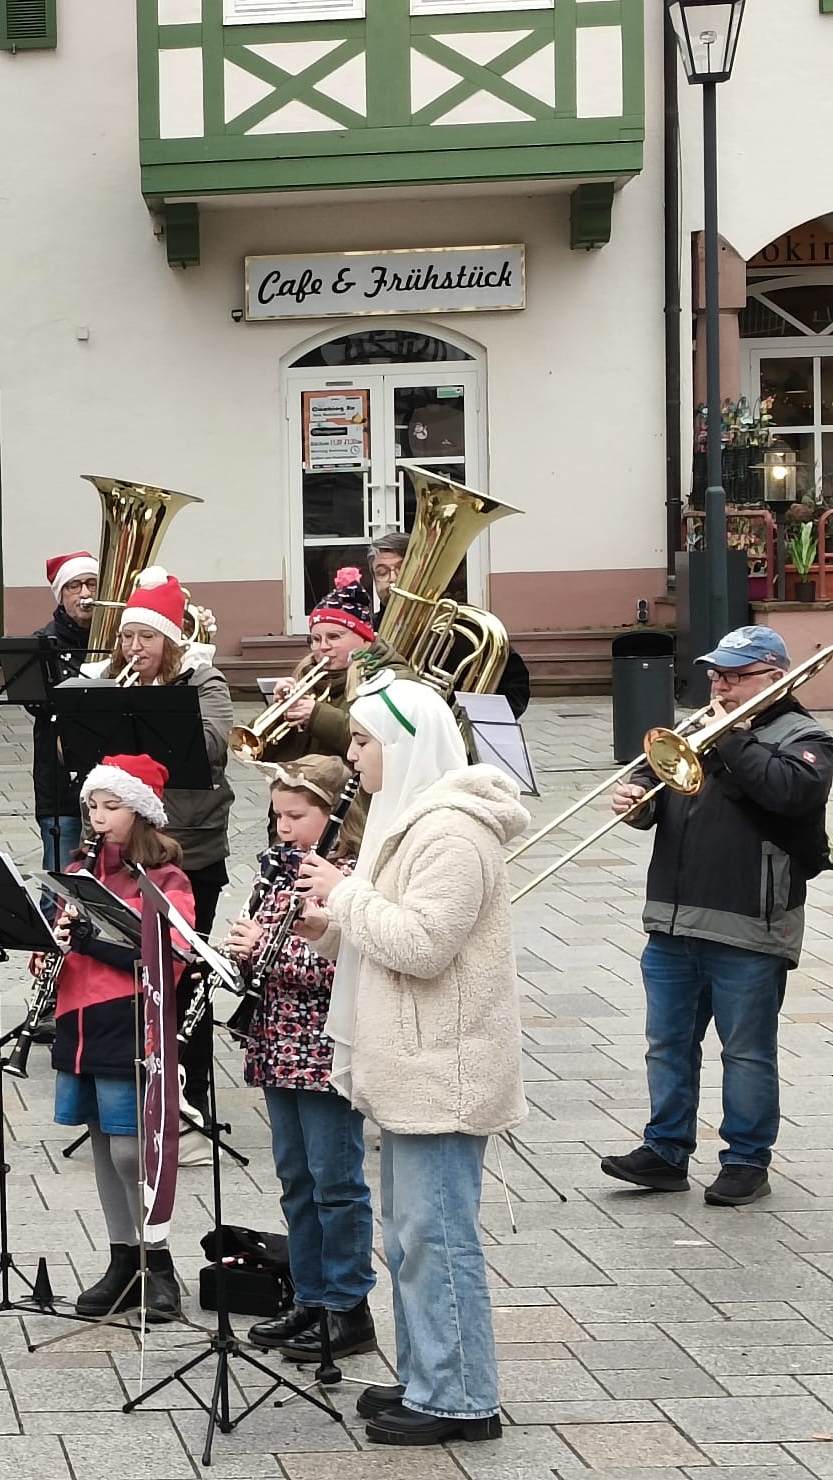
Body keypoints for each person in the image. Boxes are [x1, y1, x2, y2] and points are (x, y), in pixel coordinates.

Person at [293, 672, 528, 1446]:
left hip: (445, 1067)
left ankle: (461, 1399)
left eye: (363, 741)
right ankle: (430, 1373)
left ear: (405, 743)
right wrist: (327, 928)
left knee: (437, 1238)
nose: (352, 754)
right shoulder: (406, 819)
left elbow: (424, 946)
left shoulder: (452, 833)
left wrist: (343, 895)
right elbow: (382, 935)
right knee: (407, 1237)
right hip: (412, 1061)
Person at [601, 625, 832, 1207]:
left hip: (750, 923)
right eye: (716, 675)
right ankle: (665, 1151)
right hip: (673, 917)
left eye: (735, 676)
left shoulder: (804, 737)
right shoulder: (696, 729)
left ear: (774, 679)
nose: (721, 687)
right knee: (667, 1045)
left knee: (746, 1051)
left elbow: (789, 793)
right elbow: (653, 784)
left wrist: (730, 737)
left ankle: (747, 1159)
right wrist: (633, 800)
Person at [225, 756, 376, 1363]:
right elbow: (264, 951)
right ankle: (310, 1297)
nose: (283, 827)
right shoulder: (277, 867)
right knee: (296, 1178)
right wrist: (240, 954)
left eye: (296, 815)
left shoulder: (351, 875)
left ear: (333, 812)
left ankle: (348, 1306)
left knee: (335, 1182)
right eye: (277, 815)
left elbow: (342, 964)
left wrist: (268, 946)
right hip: (276, 1041)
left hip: (324, 1048)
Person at [50, 754, 190, 1322]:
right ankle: (122, 1259)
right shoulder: (79, 870)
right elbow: (67, 938)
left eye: (112, 807)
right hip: (78, 1018)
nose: (98, 817)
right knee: (102, 1141)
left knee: (131, 1145)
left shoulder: (165, 879)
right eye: (93, 806)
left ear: (142, 813)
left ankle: (159, 1262)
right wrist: (51, 947)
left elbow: (171, 955)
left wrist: (93, 941)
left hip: (129, 1020)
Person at [98, 568, 234, 1132]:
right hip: (131, 848)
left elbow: (214, 745)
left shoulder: (205, 681)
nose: (135, 647)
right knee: (133, 970)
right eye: (128, 636)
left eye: (147, 637)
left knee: (187, 972)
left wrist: (151, 710)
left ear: (171, 641)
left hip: (192, 847)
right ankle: (141, 1088)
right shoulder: (110, 681)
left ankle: (193, 1095)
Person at [368, 532, 530, 716]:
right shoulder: (365, 630)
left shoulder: (468, 626)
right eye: (382, 572)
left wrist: (472, 721)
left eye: (402, 569)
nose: (392, 578)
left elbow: (514, 688)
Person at [263, 569, 377, 762]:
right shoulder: (305, 676)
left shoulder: (377, 680)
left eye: (334, 637)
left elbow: (375, 742)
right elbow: (260, 752)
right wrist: (278, 712)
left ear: (364, 639)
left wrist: (316, 715)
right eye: (316, 639)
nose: (323, 646)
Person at [30, 552, 98, 870]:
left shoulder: (124, 640)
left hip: (114, 786)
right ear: (61, 594)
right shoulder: (43, 645)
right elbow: (35, 705)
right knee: (60, 881)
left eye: (92, 584)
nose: (85, 593)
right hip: (62, 786)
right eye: (74, 586)